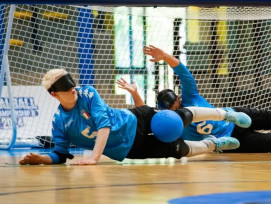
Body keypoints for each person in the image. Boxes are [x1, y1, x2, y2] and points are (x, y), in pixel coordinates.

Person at [119, 45, 271, 153]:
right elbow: (146, 116)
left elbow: (184, 73)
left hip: (236, 116)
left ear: (178, 98)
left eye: (176, 103)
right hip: (228, 142)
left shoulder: (190, 95)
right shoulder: (170, 121)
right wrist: (135, 93)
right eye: (171, 107)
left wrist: (166, 56)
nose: (176, 108)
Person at [19, 69, 252, 165]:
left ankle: (225, 114)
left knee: (176, 119)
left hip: (135, 119)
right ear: (53, 94)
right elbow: (60, 155)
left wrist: (94, 157)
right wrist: (41, 159)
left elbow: (104, 124)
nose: (72, 89)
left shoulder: (88, 92)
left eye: (71, 83)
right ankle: (214, 145)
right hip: (128, 149)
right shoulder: (60, 123)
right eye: (64, 87)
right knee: (177, 149)